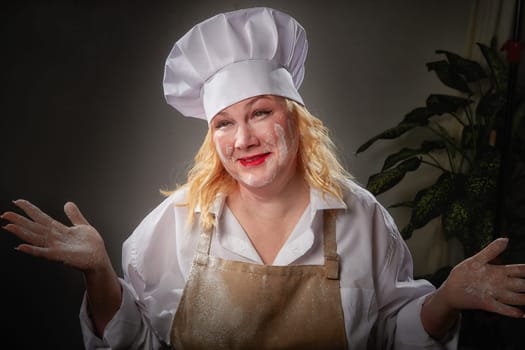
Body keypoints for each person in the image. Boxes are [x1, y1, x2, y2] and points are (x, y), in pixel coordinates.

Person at [2, 7, 525, 350]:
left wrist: (444, 299)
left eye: (259, 113)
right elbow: (135, 343)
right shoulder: (176, 223)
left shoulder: (361, 217)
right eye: (224, 123)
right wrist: (98, 273)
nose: (243, 139)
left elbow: (393, 336)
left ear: (296, 119)